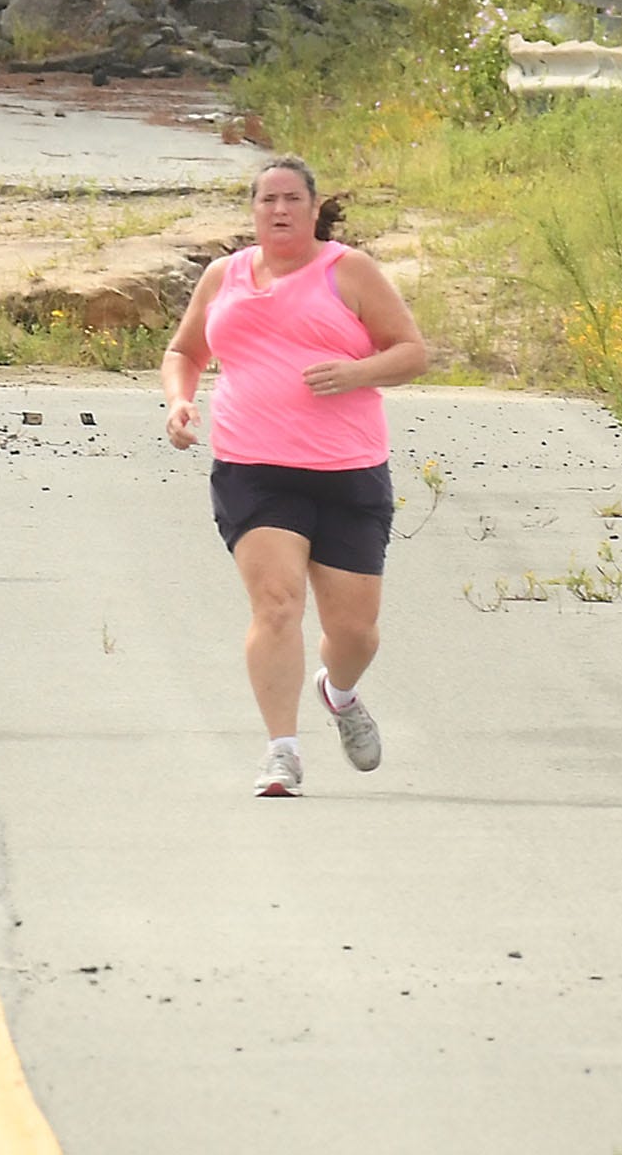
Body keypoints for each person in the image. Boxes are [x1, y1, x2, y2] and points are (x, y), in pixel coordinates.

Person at [162, 155, 429, 797]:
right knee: (277, 605)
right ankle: (282, 753)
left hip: (347, 470)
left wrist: (357, 372)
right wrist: (179, 400)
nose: (279, 210)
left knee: (354, 633)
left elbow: (412, 352)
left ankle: (340, 692)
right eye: (267, 200)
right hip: (253, 467)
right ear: (253, 211)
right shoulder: (224, 276)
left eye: (291, 199)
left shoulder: (349, 270)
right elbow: (184, 351)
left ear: (313, 209)